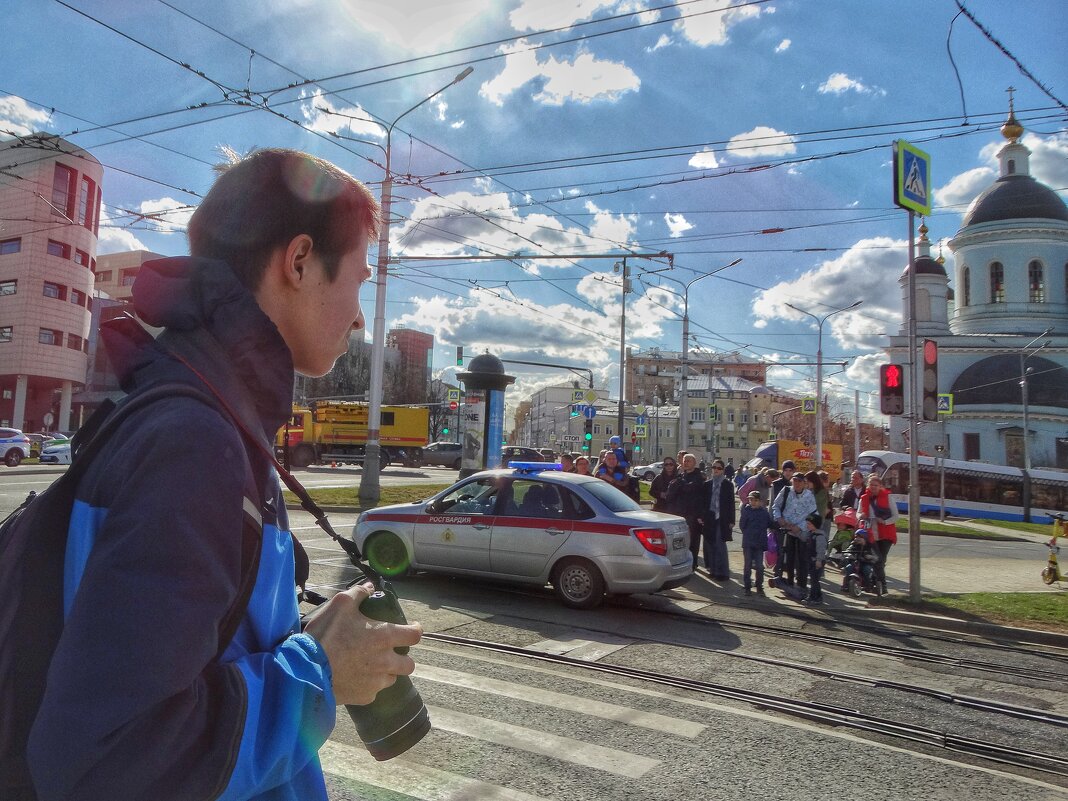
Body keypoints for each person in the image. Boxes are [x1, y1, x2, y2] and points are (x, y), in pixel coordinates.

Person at [26, 149, 423, 801]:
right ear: (299, 262)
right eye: (359, 279)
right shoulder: (195, 444)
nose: (359, 315)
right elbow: (106, 762)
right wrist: (320, 670)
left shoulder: (209, 417)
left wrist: (304, 644)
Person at [771, 472, 817, 590]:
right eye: (795, 481)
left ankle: (802, 584)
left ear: (804, 483)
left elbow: (814, 514)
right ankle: (789, 582)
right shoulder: (786, 491)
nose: (797, 483)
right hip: (786, 530)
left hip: (801, 532)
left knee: (802, 558)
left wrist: (800, 526)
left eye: (799, 481)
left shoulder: (809, 496)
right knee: (788, 557)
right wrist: (779, 518)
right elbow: (775, 506)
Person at [665, 453, 706, 568]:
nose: (686, 463)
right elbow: (671, 493)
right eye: (684, 461)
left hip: (693, 514)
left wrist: (679, 484)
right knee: (680, 541)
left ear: (694, 463)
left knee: (693, 541)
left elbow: (690, 489)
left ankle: (693, 564)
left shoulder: (698, 477)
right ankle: (682, 562)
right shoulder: (680, 476)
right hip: (680, 513)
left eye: (689, 461)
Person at [860, 473, 898, 594]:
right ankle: (879, 585)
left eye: (876, 485)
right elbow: (859, 512)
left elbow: (896, 516)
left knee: (880, 560)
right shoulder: (864, 498)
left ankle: (878, 584)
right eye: (871, 484)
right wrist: (860, 515)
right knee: (877, 560)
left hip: (886, 533)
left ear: (880, 486)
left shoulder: (888, 497)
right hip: (871, 533)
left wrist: (885, 521)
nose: (873, 487)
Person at [699, 458, 736, 579]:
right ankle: (713, 571)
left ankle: (723, 573)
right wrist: (701, 517)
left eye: (718, 468)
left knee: (720, 545)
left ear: (723, 470)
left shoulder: (728, 485)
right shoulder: (707, 484)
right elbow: (703, 502)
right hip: (709, 518)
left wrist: (731, 520)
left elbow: (731, 503)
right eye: (714, 468)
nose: (716, 470)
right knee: (710, 544)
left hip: (722, 518)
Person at [739, 490, 772, 595]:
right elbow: (742, 525)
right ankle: (747, 587)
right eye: (750, 500)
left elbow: (769, 523)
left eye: (755, 500)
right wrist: (748, 534)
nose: (752, 502)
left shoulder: (764, 512)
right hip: (748, 542)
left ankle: (759, 586)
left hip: (760, 543)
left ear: (760, 501)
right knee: (747, 565)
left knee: (759, 566)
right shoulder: (746, 511)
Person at [769, 460, 797, 584]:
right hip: (780, 521)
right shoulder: (776, 484)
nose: (788, 473)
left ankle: (788, 575)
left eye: (790, 470)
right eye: (786, 470)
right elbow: (772, 505)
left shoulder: (797, 484)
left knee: (790, 549)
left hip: (792, 522)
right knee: (780, 549)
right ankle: (778, 573)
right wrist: (772, 522)